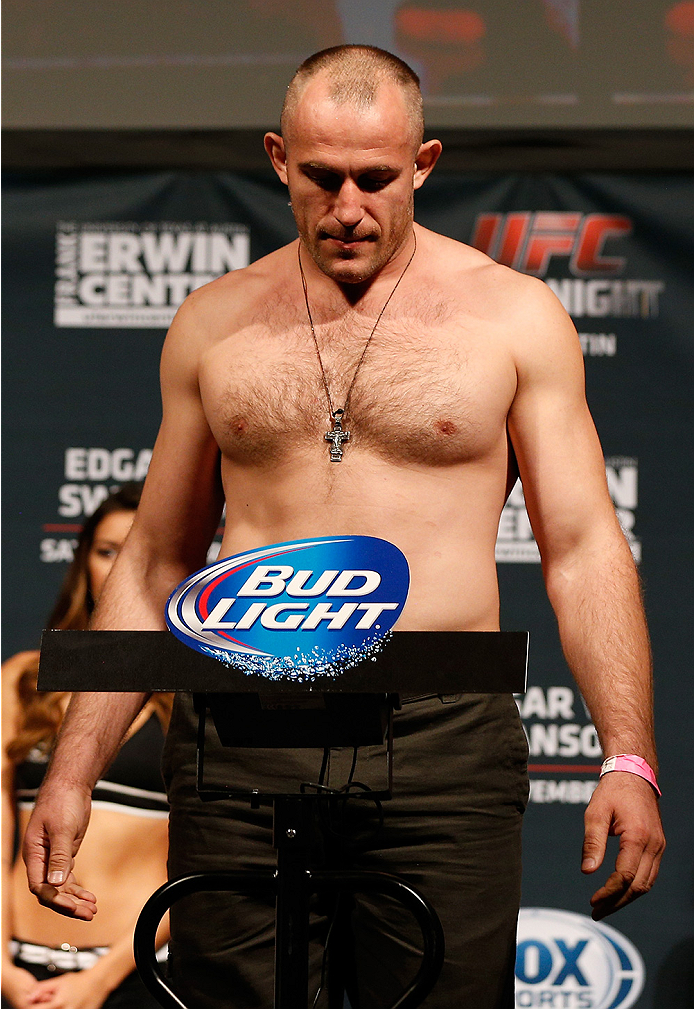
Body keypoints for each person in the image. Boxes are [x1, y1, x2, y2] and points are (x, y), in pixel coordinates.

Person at [22, 45, 664, 1009]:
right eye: (322, 177)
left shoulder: (513, 318)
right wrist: (74, 770)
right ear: (279, 159)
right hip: (237, 732)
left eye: (377, 177)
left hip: (440, 742)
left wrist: (627, 754)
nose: (349, 206)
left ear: (426, 163)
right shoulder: (213, 322)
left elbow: (581, 548)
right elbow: (155, 559)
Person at [2, 486, 171, 1009]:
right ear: (83, 564)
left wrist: (97, 983)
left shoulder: (194, 695)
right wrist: (3, 971)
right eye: (106, 551)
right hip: (19, 973)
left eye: (138, 552)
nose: (121, 568)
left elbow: (212, 854)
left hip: (137, 974)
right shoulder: (25, 676)